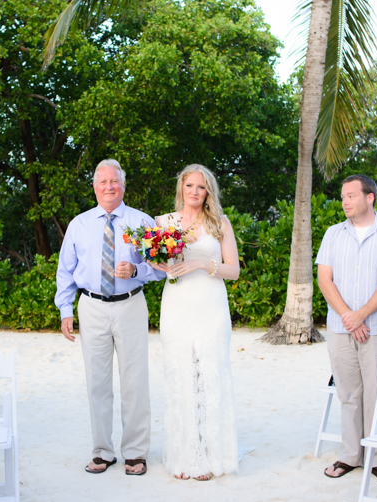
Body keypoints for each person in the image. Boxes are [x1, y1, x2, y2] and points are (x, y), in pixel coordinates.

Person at [55, 159, 164, 476]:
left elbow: (160, 268)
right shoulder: (80, 224)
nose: (109, 187)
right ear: (94, 186)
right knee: (97, 382)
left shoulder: (142, 221)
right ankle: (102, 451)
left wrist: (137, 269)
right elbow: (66, 272)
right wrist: (65, 309)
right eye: (102, 182)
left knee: (134, 380)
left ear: (123, 185)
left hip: (130, 304)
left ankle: (135, 453)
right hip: (91, 306)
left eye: (114, 181)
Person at [316, 175, 377, 481]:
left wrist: (363, 316)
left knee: (376, 393)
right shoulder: (333, 234)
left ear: (370, 198)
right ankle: (351, 455)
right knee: (348, 393)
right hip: (340, 327)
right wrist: (348, 316)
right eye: (343, 197)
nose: (344, 201)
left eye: (351, 196)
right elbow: (325, 280)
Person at [151, 165, 240, 481]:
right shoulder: (163, 223)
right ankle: (184, 457)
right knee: (182, 375)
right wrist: (156, 261)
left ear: (208, 191)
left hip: (211, 305)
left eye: (201, 187)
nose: (194, 191)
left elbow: (234, 270)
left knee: (209, 374)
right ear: (181, 188)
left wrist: (203, 263)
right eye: (189, 185)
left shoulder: (220, 223)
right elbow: (153, 259)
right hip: (177, 305)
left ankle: (210, 456)